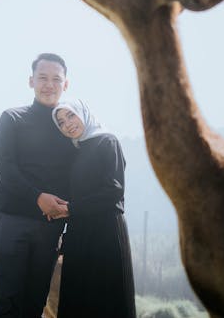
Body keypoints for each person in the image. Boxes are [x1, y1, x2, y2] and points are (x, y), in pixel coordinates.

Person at [0, 53, 77, 318]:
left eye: (56, 79)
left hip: (49, 228)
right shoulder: (12, 118)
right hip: (11, 221)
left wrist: (68, 211)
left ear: (65, 84)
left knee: (34, 305)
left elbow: (77, 176)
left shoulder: (69, 128)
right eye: (42, 78)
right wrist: (38, 197)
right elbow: (4, 168)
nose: (49, 84)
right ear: (31, 81)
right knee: (7, 302)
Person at [51, 99, 136, 318]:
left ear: (83, 113)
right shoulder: (75, 152)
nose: (67, 124)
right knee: (77, 301)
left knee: (107, 301)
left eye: (71, 115)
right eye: (61, 122)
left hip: (106, 235)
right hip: (79, 235)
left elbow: (114, 190)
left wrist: (71, 209)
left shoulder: (108, 141)